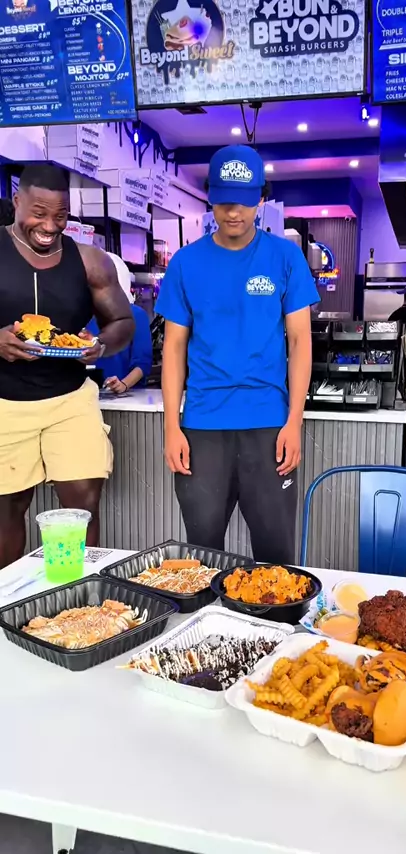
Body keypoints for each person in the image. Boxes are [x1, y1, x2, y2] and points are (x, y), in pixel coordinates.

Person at [156, 144, 318, 565]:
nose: (233, 212)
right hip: (203, 426)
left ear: (261, 198)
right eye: (224, 201)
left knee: (276, 555)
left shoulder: (285, 257)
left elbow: (300, 341)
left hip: (269, 426)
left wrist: (294, 421)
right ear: (210, 197)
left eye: (244, 202)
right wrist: (171, 427)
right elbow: (173, 347)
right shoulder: (185, 263)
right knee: (203, 554)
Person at [0, 164, 134, 569]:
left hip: (70, 399)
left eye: (60, 216)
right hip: (6, 401)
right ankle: (7, 599)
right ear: (17, 201)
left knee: (82, 507)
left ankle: (78, 593)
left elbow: (122, 322)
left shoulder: (91, 261)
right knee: (6, 511)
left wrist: (100, 344)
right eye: (39, 213)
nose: (49, 226)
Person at [88, 253, 153, 393]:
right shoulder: (86, 315)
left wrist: (123, 384)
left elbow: (142, 362)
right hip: (89, 394)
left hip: (128, 397)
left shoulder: (136, 315)